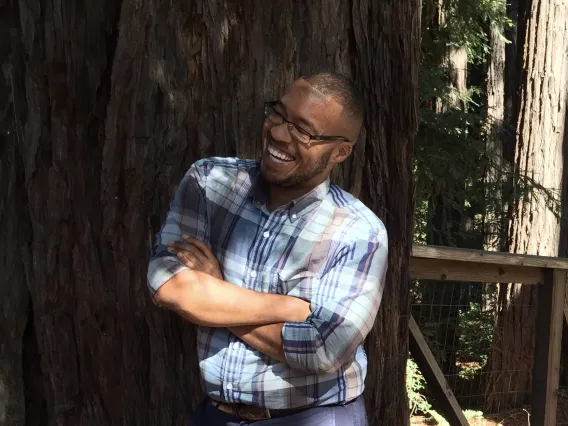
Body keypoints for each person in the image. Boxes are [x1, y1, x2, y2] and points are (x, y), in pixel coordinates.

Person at [147, 72, 388, 426]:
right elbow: (167, 283)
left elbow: (323, 349)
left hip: (313, 416)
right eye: (278, 113)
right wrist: (287, 308)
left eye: (303, 131)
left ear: (340, 152)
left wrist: (217, 292)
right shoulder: (210, 182)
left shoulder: (359, 232)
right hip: (215, 416)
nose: (277, 133)